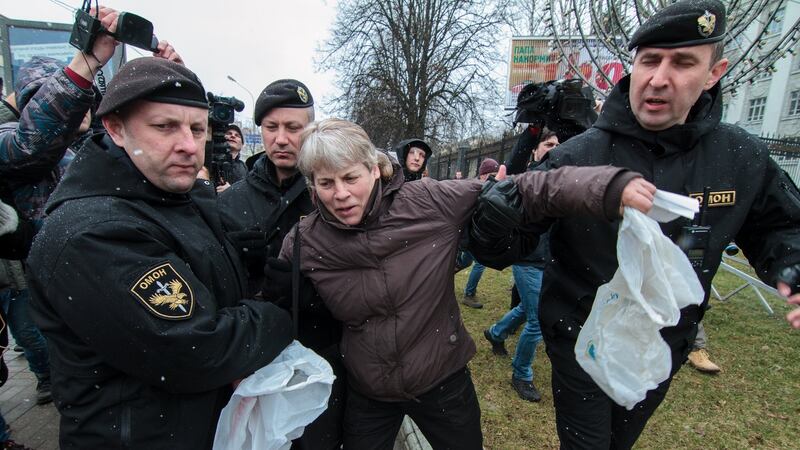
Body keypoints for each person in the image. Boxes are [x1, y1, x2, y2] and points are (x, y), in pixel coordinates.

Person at [471, 1, 800, 448]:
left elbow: (782, 227)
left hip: (663, 345)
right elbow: (502, 245)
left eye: (683, 62)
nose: (659, 78)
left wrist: (793, 270)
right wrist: (503, 208)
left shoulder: (741, 158)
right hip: (579, 341)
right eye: (650, 60)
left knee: (620, 440)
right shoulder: (578, 155)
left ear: (714, 72)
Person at [277, 118, 655, 449]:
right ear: (313, 186)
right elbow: (277, 310)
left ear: (375, 169)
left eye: (350, 178)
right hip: (369, 392)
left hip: (442, 381)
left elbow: (524, 190)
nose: (340, 194)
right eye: (326, 183)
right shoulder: (304, 242)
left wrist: (606, 188)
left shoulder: (427, 202)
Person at [25, 57, 293, 449]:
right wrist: (279, 315)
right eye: (164, 126)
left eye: (197, 128)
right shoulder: (92, 233)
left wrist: (247, 267)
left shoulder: (168, 197)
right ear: (116, 128)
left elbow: (207, 291)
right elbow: (199, 349)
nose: (188, 145)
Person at [218, 79, 343, 450]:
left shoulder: (332, 194)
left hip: (322, 356)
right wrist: (238, 265)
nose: (282, 139)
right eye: (271, 128)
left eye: (294, 127)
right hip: (256, 362)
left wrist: (309, 293)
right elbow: (214, 290)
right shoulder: (231, 201)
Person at [483, 129, 562, 402]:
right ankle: (522, 374)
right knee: (537, 319)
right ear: (535, 149)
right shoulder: (526, 178)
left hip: (549, 261)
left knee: (526, 308)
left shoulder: (562, 180)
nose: (554, 149)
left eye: (558, 145)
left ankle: (496, 333)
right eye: (548, 144)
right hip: (527, 260)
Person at [460, 158, 500, 309]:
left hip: (475, 236)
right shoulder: (475, 189)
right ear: (483, 175)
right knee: (480, 264)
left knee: (465, 262)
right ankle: (468, 295)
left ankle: (442, 278)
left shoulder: (489, 187)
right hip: (471, 236)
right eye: (492, 174)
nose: (495, 177)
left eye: (496, 174)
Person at [214, 124, 249, 192]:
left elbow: (247, 193)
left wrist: (231, 190)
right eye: (229, 133)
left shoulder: (244, 167)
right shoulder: (211, 160)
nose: (232, 136)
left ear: (242, 145)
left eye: (237, 135)